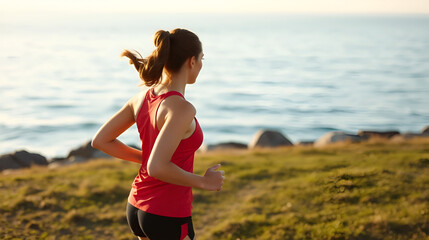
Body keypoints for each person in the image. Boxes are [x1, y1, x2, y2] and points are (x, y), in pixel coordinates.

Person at [91, 29, 225, 240]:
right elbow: (157, 167)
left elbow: (101, 141)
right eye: (201, 59)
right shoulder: (182, 108)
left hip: (136, 206)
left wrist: (144, 158)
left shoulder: (142, 97)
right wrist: (203, 181)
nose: (201, 65)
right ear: (191, 61)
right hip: (167, 214)